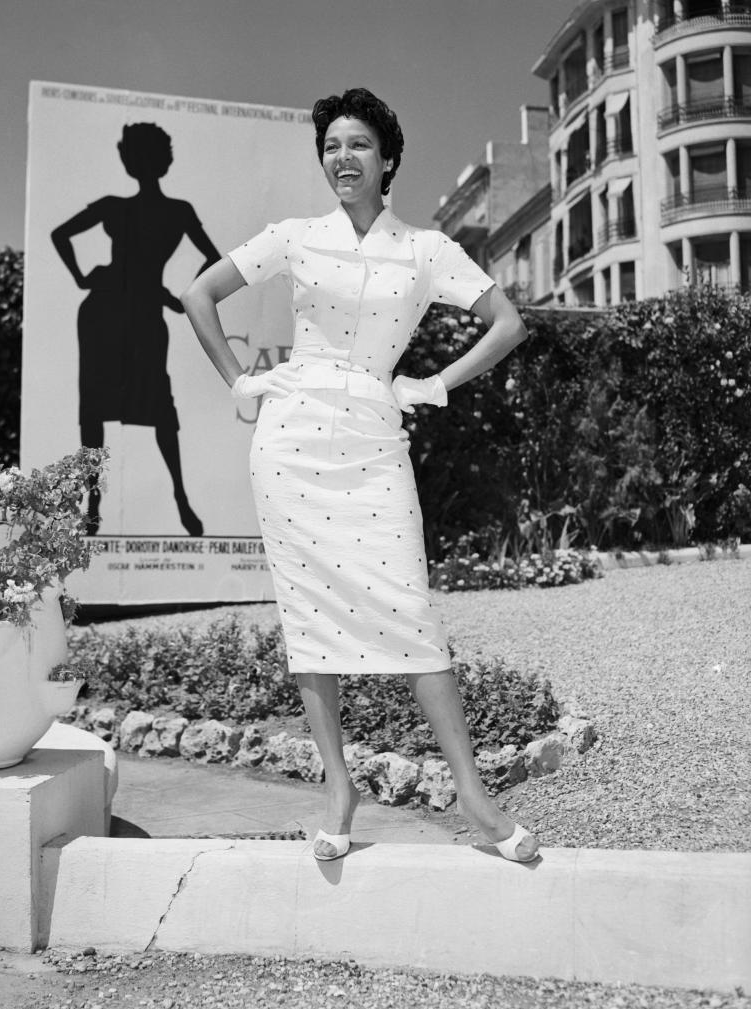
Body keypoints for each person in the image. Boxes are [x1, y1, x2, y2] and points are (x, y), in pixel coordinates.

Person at [181, 88, 538, 864]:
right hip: (290, 444)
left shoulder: (427, 250)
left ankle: (472, 795)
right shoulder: (295, 237)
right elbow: (198, 294)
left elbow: (508, 323)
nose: (342, 157)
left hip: (374, 440)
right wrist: (242, 381)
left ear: (389, 159)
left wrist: (435, 384)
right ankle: (338, 787)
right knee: (310, 624)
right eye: (332, 145)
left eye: (358, 145)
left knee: (412, 612)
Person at [51, 122, 220, 536]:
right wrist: (177, 297)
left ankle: (133, 499)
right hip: (126, 311)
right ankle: (112, 500)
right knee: (118, 405)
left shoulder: (122, 207)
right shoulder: (173, 211)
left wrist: (82, 276)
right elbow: (212, 258)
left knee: (136, 406)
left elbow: (61, 236)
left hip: (117, 309)